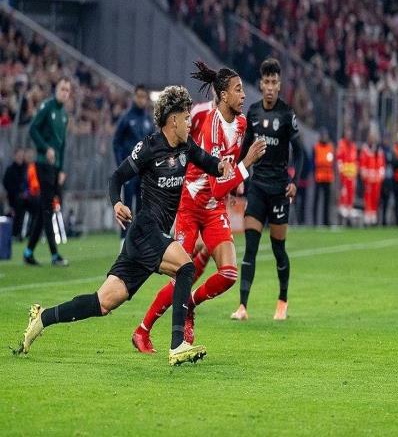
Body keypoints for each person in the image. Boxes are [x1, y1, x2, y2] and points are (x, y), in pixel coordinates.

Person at [14, 85, 233, 366]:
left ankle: (42, 318)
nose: (190, 122)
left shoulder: (186, 147)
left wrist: (224, 166)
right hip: (145, 230)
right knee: (186, 267)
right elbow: (116, 178)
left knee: (102, 302)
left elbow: (209, 163)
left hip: (145, 240)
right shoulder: (149, 147)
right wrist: (117, 203)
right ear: (173, 119)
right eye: (187, 116)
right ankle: (178, 344)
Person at [132, 62, 266, 353]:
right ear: (223, 95)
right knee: (182, 273)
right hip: (191, 206)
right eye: (238, 90)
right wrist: (246, 166)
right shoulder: (210, 125)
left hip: (214, 207)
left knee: (228, 274)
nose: (244, 95)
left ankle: (190, 304)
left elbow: (226, 172)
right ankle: (142, 330)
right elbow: (218, 183)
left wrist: (236, 179)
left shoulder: (241, 124)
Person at [231, 58, 304, 321]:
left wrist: (294, 182)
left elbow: (301, 152)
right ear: (261, 84)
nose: (270, 87)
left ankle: (282, 301)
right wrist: (237, 178)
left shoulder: (286, 114)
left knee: (277, 249)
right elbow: (243, 150)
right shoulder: (252, 113)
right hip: (258, 188)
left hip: (279, 191)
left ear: (279, 85)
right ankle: (242, 306)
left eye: (274, 82)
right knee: (250, 247)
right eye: (267, 82)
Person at [23, 77, 71, 266]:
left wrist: (62, 168)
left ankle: (28, 252)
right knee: (48, 208)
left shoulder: (64, 115)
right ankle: (54, 255)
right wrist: (45, 149)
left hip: (55, 168)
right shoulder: (47, 107)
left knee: (46, 209)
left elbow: (63, 144)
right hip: (43, 164)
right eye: (62, 89)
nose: (64, 93)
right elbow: (33, 129)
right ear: (56, 90)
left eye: (67, 90)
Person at [112, 84, 154, 242]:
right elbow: (116, 143)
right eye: (139, 96)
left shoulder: (148, 120)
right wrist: (121, 166)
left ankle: (140, 243)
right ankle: (124, 242)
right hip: (130, 171)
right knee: (127, 206)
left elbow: (153, 145)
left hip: (144, 172)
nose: (141, 100)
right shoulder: (126, 118)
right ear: (134, 97)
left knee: (143, 209)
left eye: (144, 97)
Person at [360, 128, 385, 226]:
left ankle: (373, 216)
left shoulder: (378, 150)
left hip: (376, 179)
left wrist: (380, 174)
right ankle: (368, 216)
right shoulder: (365, 150)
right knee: (368, 198)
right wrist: (366, 174)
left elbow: (381, 164)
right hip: (368, 179)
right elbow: (363, 164)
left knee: (375, 198)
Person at [2, 147, 27, 240]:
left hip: (26, 197)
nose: (20, 157)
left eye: (22, 155)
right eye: (18, 155)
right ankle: (15, 233)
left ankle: (30, 232)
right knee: (18, 206)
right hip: (13, 197)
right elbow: (6, 184)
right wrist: (17, 192)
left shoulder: (26, 168)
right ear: (15, 156)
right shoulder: (10, 170)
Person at [313, 128, 335, 226]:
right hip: (318, 177)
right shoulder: (316, 147)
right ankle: (315, 222)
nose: (324, 137)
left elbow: (332, 163)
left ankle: (326, 221)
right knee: (316, 200)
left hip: (328, 177)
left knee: (327, 201)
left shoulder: (330, 147)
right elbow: (314, 162)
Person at [336, 127, 358, 225]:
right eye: (347, 133)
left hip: (351, 177)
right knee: (343, 197)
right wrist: (342, 173)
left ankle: (349, 220)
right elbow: (339, 161)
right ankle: (341, 220)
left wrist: (354, 174)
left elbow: (355, 161)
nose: (349, 135)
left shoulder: (353, 146)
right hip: (344, 177)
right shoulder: (341, 144)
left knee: (350, 197)